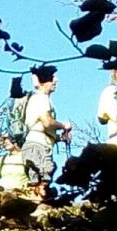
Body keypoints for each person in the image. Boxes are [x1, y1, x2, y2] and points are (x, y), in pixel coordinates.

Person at [21, 65, 72, 201]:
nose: (55, 82)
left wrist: (58, 138)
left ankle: (34, 206)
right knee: (42, 180)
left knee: (36, 180)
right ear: (46, 81)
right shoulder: (41, 99)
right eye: (53, 79)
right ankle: (38, 206)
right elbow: (47, 122)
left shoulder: (37, 98)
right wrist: (63, 125)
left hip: (35, 143)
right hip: (38, 146)